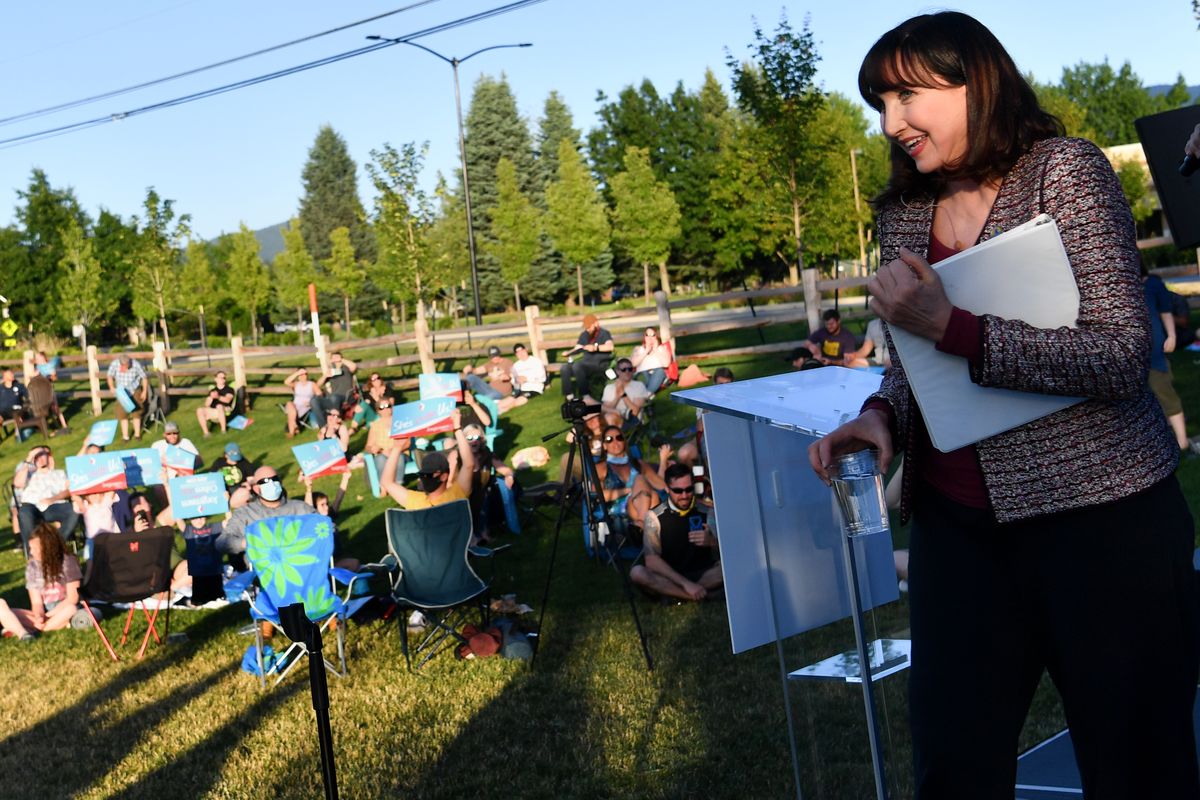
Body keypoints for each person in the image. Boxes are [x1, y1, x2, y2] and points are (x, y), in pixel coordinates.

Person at [809, 13, 1198, 798]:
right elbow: (907, 366)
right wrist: (881, 417)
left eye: (908, 96)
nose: (892, 123)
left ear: (974, 80)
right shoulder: (901, 215)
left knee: (1138, 767)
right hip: (960, 538)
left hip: (1105, 524)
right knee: (953, 767)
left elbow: (1123, 353)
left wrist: (949, 326)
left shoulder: (1065, 171)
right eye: (879, 104)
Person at [629, 464, 721, 602]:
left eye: (689, 489)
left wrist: (712, 541)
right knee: (637, 573)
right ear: (667, 489)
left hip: (703, 572)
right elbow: (651, 561)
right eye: (678, 491)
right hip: (671, 575)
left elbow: (728, 554)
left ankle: (674, 595)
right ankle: (699, 595)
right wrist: (686, 584)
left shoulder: (707, 511)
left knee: (730, 568)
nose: (684, 495)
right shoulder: (654, 517)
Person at [216, 466, 314, 573]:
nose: (271, 484)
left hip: (301, 569)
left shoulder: (301, 508)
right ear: (256, 489)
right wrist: (246, 542)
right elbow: (221, 542)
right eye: (265, 481)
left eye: (275, 479)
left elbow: (328, 530)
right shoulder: (245, 514)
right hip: (262, 574)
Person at [380, 409, 474, 509]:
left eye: (428, 474)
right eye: (422, 474)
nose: (423, 478)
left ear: (444, 476)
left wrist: (457, 428)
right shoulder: (457, 496)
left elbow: (469, 465)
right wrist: (397, 447)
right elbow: (386, 483)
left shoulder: (454, 495)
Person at [7, 522, 82, 636]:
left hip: (63, 607)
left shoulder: (68, 562)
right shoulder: (32, 566)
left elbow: (73, 598)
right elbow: (36, 602)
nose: (31, 552)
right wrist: (39, 616)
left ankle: (39, 629)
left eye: (34, 548)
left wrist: (48, 616)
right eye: (30, 548)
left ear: (48, 548)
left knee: (72, 609)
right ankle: (49, 625)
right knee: (9, 612)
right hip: (45, 611)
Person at [13, 445, 80, 550]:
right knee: (24, 513)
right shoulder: (28, 475)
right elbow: (17, 484)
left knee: (74, 510)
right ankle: (34, 551)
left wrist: (53, 499)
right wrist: (29, 459)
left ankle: (54, 545)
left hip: (53, 506)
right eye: (36, 456)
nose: (39, 458)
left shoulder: (59, 473)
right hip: (31, 507)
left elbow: (69, 491)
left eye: (42, 455)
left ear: (48, 456)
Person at [560, 314, 614, 400]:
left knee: (578, 365)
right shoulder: (584, 335)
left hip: (599, 363)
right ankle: (569, 395)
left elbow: (610, 347)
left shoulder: (604, 333)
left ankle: (585, 395)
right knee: (565, 368)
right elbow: (578, 348)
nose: (587, 329)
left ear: (596, 323)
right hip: (586, 362)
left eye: (589, 327)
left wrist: (595, 348)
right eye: (586, 327)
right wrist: (568, 353)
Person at [106, 353, 149, 441]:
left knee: (137, 413)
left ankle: (137, 435)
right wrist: (111, 387)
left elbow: (144, 377)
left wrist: (144, 391)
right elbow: (109, 376)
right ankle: (125, 437)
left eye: (128, 365)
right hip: (122, 392)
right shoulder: (114, 364)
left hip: (135, 390)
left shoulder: (136, 364)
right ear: (120, 363)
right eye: (124, 365)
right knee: (122, 414)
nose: (126, 367)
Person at [601, 357, 652, 422]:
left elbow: (635, 412)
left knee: (609, 417)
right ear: (618, 371)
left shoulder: (639, 385)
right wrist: (617, 397)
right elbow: (606, 410)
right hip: (613, 418)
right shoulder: (609, 388)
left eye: (630, 369)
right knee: (607, 415)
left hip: (632, 421)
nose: (627, 372)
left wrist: (623, 395)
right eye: (623, 369)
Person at [314, 352, 357, 428]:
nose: (336, 359)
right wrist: (325, 376)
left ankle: (336, 422)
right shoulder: (331, 370)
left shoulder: (346, 368)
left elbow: (354, 366)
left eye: (338, 357)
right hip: (332, 398)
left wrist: (341, 360)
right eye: (334, 358)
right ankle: (323, 427)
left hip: (346, 396)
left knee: (334, 397)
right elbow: (317, 385)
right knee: (314, 401)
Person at [210, 441, 258, 509]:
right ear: (226, 455)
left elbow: (251, 478)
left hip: (240, 487)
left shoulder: (243, 462)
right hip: (224, 489)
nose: (235, 461)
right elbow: (211, 477)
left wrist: (248, 483)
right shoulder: (219, 462)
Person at [33, 352, 70, 431]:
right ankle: (42, 426)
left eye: (38, 358)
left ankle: (64, 425)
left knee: (55, 408)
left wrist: (49, 376)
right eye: (36, 358)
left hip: (49, 389)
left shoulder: (50, 365)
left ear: (43, 357)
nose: (36, 359)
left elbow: (54, 377)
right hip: (40, 390)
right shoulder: (38, 367)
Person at [629, 327, 672, 393]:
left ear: (656, 337)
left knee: (660, 371)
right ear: (644, 337)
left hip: (657, 373)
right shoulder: (638, 349)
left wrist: (655, 350)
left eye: (653, 335)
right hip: (643, 373)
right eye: (647, 335)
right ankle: (646, 396)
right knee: (642, 374)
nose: (650, 338)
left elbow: (666, 364)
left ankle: (645, 395)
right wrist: (646, 351)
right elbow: (633, 364)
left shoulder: (662, 348)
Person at [195, 370, 236, 436]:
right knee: (199, 410)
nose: (222, 379)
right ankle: (206, 433)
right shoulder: (212, 390)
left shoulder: (229, 389)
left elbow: (228, 400)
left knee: (219, 406)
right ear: (216, 379)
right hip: (213, 411)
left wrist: (218, 397)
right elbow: (206, 405)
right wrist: (211, 398)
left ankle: (223, 430)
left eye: (224, 378)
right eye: (220, 377)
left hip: (224, 409)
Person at [284, 366, 321, 437]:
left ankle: (292, 431)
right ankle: (294, 425)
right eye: (301, 374)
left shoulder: (312, 384)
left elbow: (319, 395)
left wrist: (310, 403)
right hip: (295, 405)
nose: (303, 376)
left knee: (290, 412)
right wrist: (297, 373)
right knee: (289, 404)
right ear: (298, 376)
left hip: (305, 406)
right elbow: (286, 382)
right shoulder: (296, 384)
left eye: (305, 374)